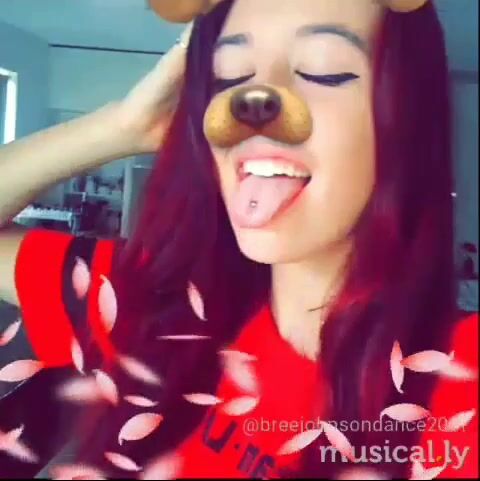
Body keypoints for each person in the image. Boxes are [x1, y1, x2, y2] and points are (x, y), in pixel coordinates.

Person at [0, 0, 478, 479]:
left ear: (406, 119)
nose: (252, 103)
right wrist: (123, 126)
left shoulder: (461, 385)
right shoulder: (157, 306)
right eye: (229, 77)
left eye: (325, 71)